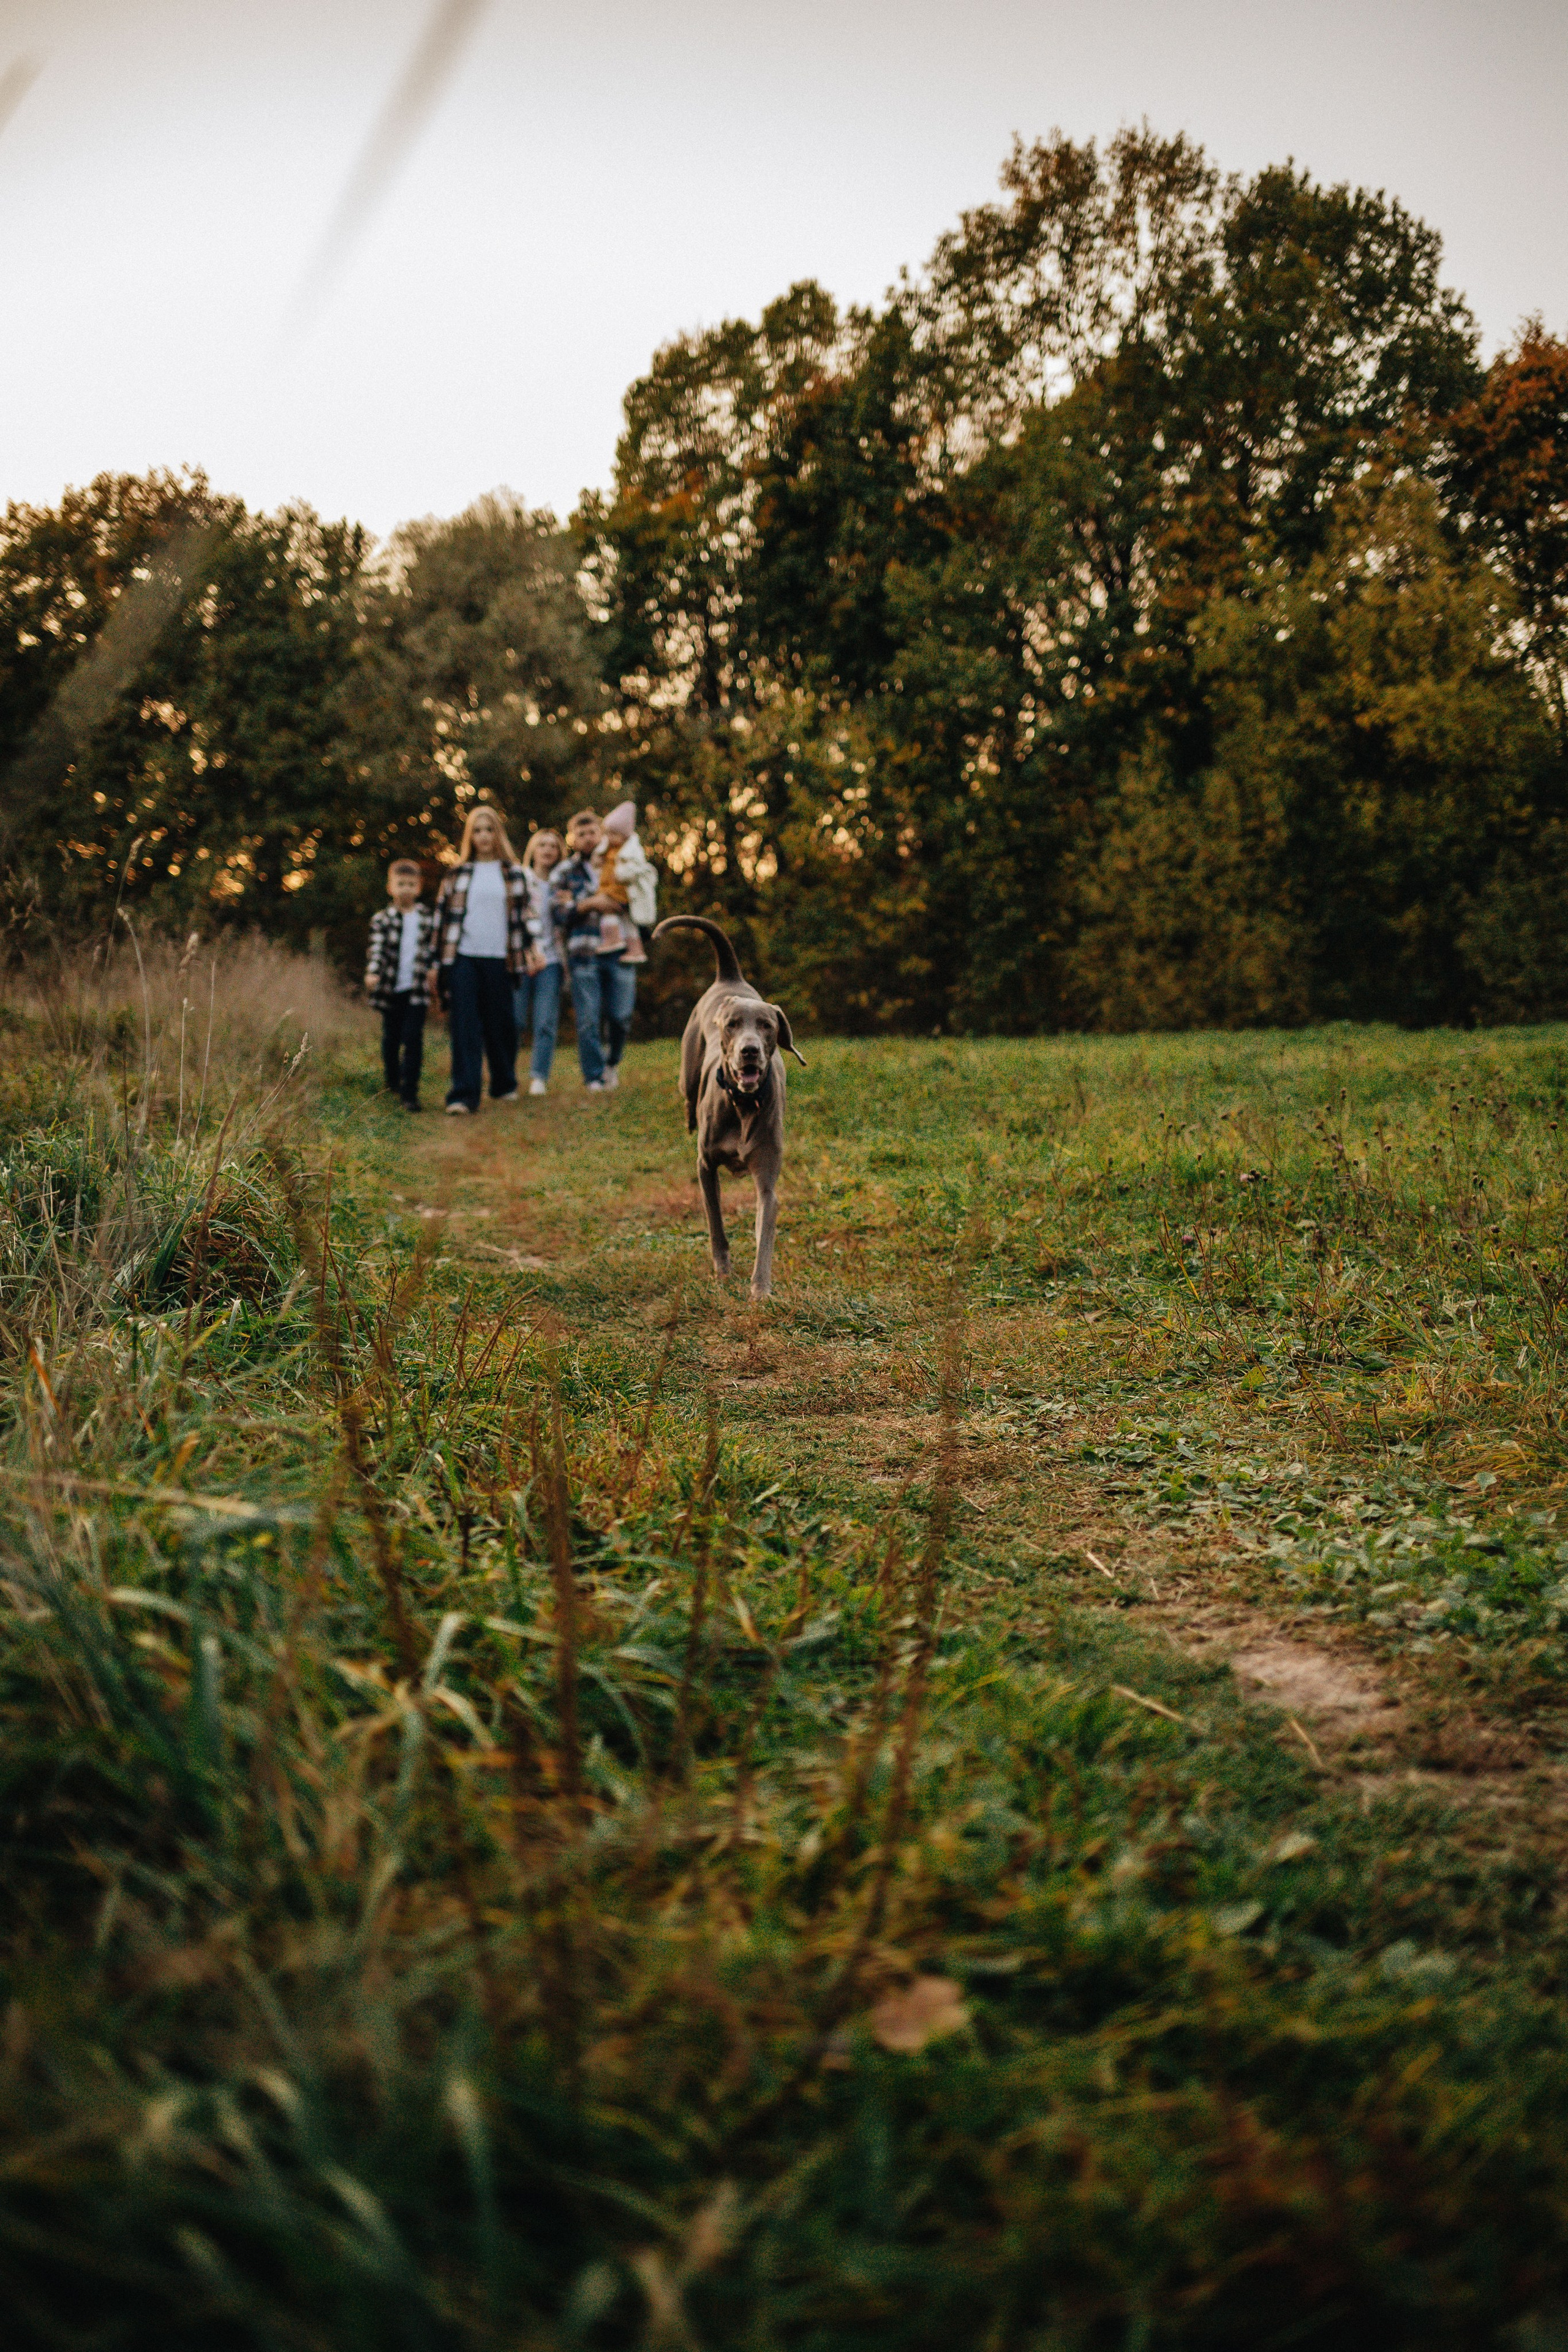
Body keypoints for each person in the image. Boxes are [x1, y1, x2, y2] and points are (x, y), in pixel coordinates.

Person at [431, 803, 528, 1114]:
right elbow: (440, 921)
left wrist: (534, 947)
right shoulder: (457, 874)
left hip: (502, 958)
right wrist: (435, 963)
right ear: (469, 836)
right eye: (477, 830)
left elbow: (527, 917)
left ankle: (503, 1084)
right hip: (463, 959)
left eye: (489, 830)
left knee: (502, 1026)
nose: (484, 836)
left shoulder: (513, 873)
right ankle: (463, 1095)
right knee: (465, 1026)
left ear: (497, 834)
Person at [364, 857, 435, 1110]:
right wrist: (373, 974)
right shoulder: (382, 919)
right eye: (401, 884)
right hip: (390, 990)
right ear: (390, 887)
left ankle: (410, 1093)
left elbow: (433, 951)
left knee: (413, 1037)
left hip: (417, 990)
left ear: (418, 887)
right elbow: (377, 950)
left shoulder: (428, 918)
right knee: (391, 1039)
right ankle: (393, 1081)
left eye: (411, 884)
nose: (406, 889)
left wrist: (434, 970)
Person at [516, 827, 565, 1095]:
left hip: (552, 960)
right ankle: (508, 1076)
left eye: (553, 846)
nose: (548, 850)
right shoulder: (519, 878)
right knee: (515, 1020)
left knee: (545, 1021)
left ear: (559, 853)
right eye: (542, 845)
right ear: (533, 850)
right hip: (522, 958)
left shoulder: (563, 885)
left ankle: (539, 1077)